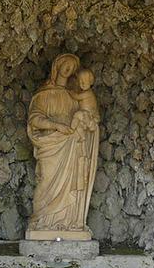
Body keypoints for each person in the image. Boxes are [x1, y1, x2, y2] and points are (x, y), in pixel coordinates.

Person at [25, 54, 99, 239]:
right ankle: (41, 220)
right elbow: (34, 119)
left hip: (72, 143)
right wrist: (56, 126)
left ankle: (69, 222)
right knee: (46, 181)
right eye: (66, 64)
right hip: (51, 144)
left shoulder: (76, 95)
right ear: (56, 66)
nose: (68, 69)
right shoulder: (43, 94)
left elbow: (90, 115)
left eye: (73, 67)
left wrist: (88, 122)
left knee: (72, 184)